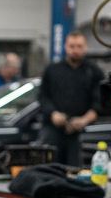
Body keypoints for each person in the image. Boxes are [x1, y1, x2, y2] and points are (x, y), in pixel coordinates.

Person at [38, 31, 104, 167]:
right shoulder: (52, 70)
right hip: (53, 130)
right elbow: (43, 97)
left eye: (79, 46)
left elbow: (101, 102)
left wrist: (84, 120)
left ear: (85, 47)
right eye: (72, 46)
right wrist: (53, 114)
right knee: (50, 168)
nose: (75, 50)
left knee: (76, 171)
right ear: (65, 47)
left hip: (83, 131)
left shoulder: (95, 72)